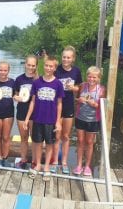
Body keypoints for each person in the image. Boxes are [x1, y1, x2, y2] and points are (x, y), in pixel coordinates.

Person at [24, 56, 64, 181]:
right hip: (37, 119)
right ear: (43, 66)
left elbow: (59, 103)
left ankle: (47, 166)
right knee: (37, 143)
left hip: (50, 120)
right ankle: (38, 165)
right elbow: (32, 102)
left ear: (55, 68)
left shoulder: (58, 84)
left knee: (50, 144)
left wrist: (58, 121)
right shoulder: (37, 82)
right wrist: (27, 119)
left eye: (51, 66)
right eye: (46, 65)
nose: (48, 68)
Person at [52, 46, 82, 174]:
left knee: (65, 136)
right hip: (55, 106)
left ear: (73, 58)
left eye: (68, 57)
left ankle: (64, 162)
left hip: (69, 105)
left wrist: (74, 89)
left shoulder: (76, 71)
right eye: (64, 57)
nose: (65, 59)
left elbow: (80, 88)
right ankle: (54, 161)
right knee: (56, 136)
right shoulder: (56, 70)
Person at [73, 66, 106, 176]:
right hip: (80, 118)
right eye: (89, 76)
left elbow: (103, 106)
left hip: (93, 120)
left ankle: (87, 166)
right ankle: (78, 165)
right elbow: (76, 100)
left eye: (94, 77)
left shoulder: (101, 90)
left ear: (99, 78)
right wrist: (79, 100)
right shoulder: (82, 86)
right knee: (80, 141)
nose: (91, 79)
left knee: (90, 142)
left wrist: (95, 104)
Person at [13, 55, 38, 169]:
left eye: (33, 65)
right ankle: (23, 159)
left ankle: (34, 161)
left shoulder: (38, 79)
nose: (31, 67)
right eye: (29, 65)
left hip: (35, 113)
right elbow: (15, 94)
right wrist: (16, 97)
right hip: (22, 112)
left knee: (34, 138)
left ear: (36, 66)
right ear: (25, 64)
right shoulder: (19, 79)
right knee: (23, 138)